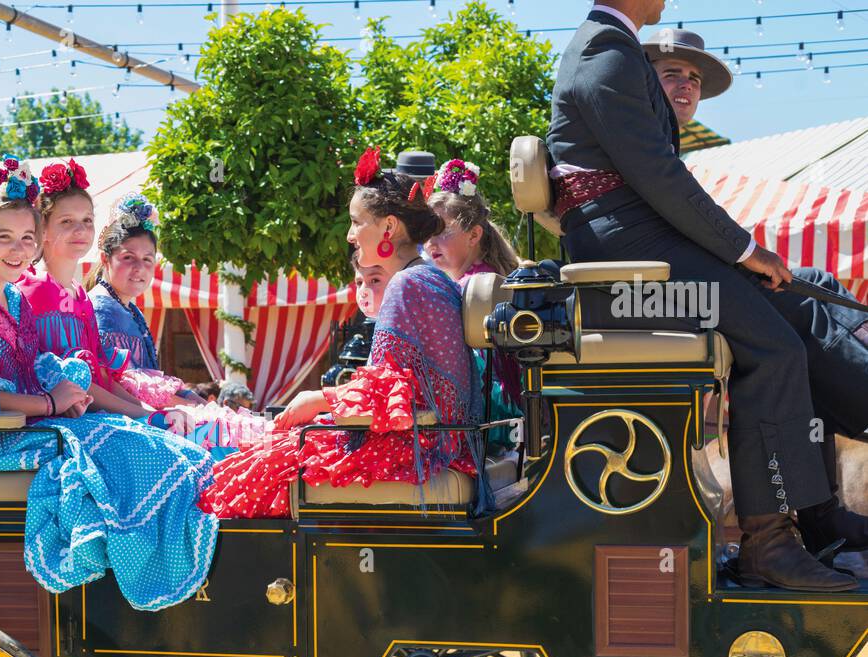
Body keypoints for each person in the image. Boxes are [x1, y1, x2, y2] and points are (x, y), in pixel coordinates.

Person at [549, 1, 868, 592]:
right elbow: (658, 179)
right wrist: (746, 251)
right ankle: (768, 545)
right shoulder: (605, 50)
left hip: (641, 247)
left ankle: (818, 518)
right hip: (628, 264)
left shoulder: (610, 49)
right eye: (676, 72)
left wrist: (745, 256)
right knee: (773, 350)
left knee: (805, 298)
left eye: (691, 77)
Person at [0, 158, 218, 610]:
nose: (19, 249)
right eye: (3, 237)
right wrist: (48, 402)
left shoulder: (10, 296)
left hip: (24, 421)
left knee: (146, 439)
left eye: (26, 238)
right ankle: (138, 561)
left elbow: (32, 365)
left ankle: (159, 545)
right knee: (126, 450)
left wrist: (68, 384)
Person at [200, 147, 482, 519]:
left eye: (356, 222)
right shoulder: (430, 279)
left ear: (389, 227)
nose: (350, 235)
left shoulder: (407, 284)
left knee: (250, 472)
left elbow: (382, 391)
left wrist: (316, 399)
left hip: (418, 449)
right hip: (438, 443)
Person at [16, 159, 152, 418]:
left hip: (94, 411)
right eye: (67, 221)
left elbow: (100, 376)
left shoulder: (80, 295)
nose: (80, 229)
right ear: (41, 229)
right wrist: (142, 415)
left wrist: (151, 411)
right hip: (59, 419)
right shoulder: (33, 288)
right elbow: (73, 382)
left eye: (87, 220)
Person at [422, 158, 524, 451]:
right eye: (427, 235)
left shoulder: (470, 287)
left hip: (489, 413)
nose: (431, 244)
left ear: (474, 235)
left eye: (441, 232)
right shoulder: (486, 278)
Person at [88, 193, 201, 406]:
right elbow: (126, 388)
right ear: (105, 258)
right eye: (128, 257)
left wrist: (199, 403)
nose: (139, 268)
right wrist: (191, 408)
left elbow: (150, 381)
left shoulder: (127, 307)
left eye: (147, 259)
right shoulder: (103, 309)